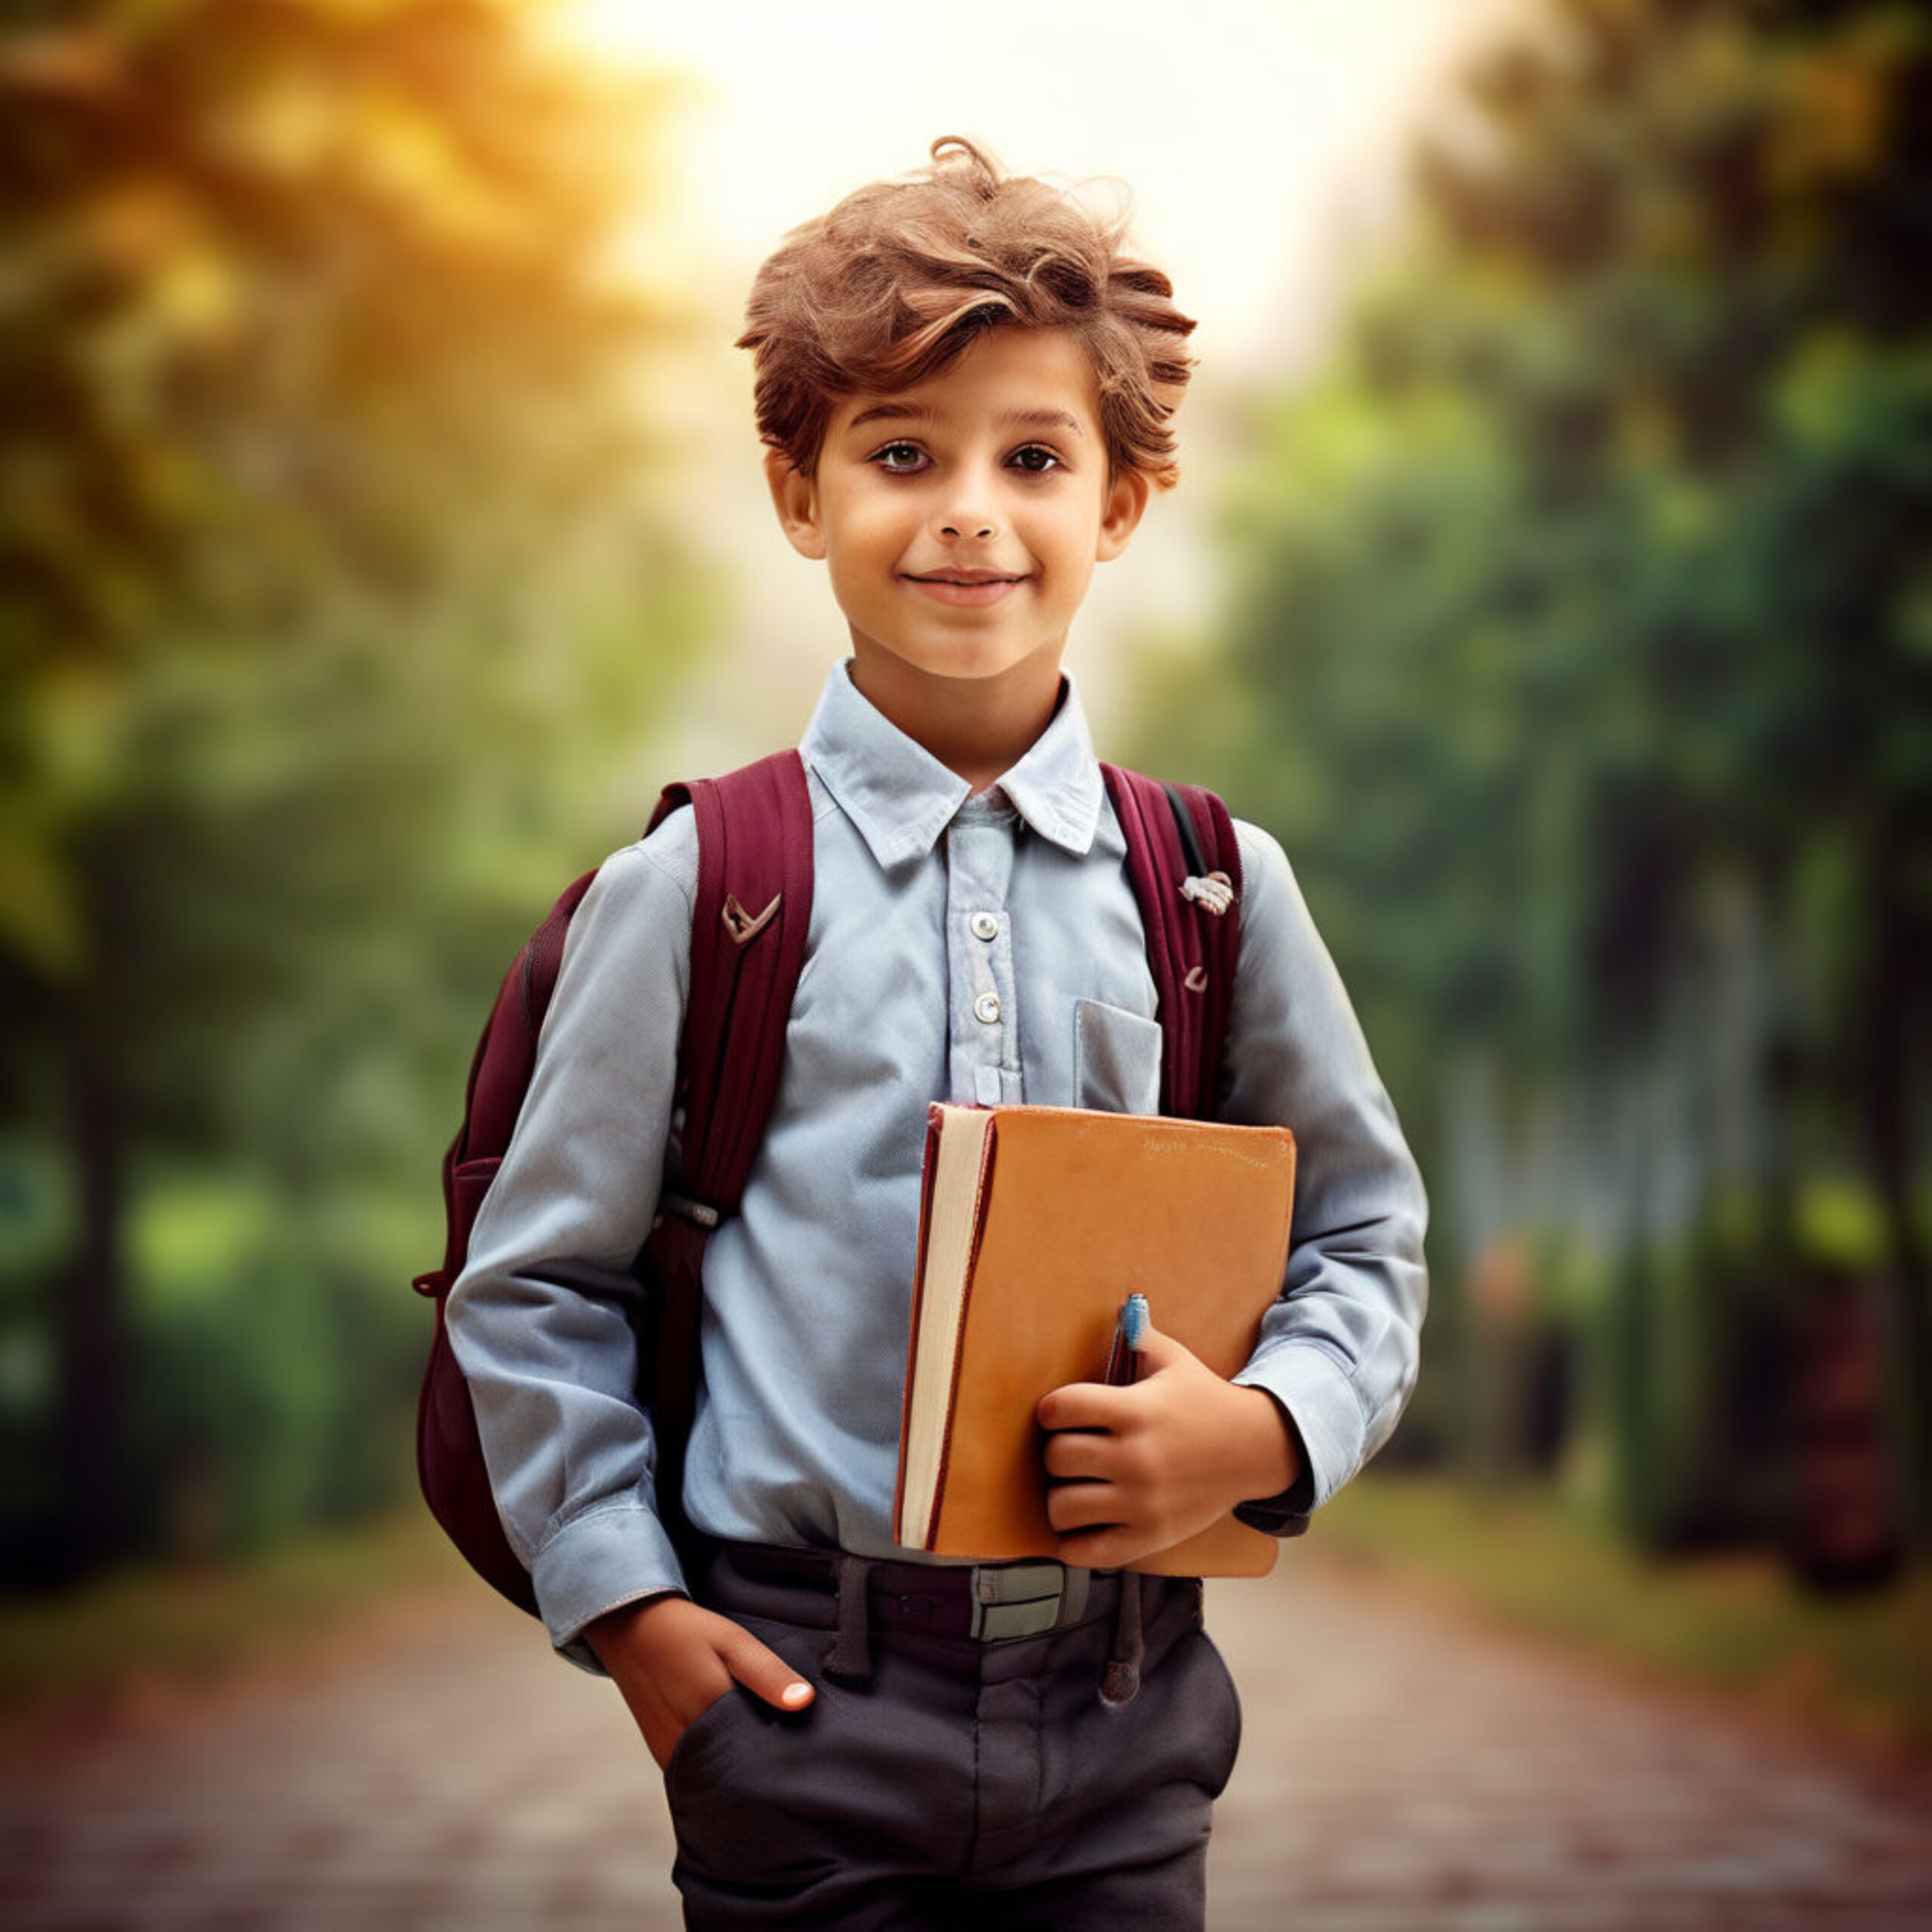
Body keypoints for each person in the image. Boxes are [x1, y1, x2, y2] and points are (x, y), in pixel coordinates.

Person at [445, 135, 1426, 1929]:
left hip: (1128, 1702)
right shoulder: (698, 885)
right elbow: (538, 1283)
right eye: (902, 453)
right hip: (800, 1693)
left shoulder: (1213, 883)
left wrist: (1271, 1429)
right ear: (796, 490)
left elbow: (1362, 1228)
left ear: (1118, 504)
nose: (968, 508)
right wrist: (636, 1615)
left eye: (1031, 458)